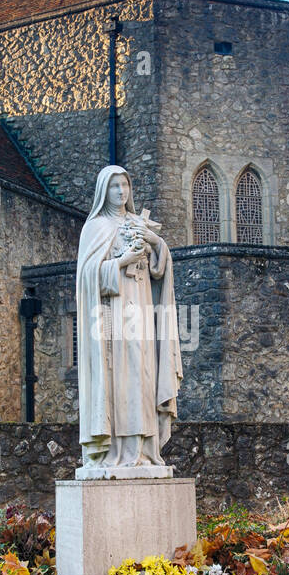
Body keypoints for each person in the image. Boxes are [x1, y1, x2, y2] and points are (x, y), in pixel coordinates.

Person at [74, 164, 182, 471]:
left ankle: (145, 451)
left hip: (142, 307)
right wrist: (122, 261)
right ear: (103, 192)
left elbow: (161, 269)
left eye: (125, 186)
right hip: (111, 314)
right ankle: (115, 451)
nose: (122, 192)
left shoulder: (138, 222)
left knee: (143, 374)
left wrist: (155, 241)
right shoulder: (95, 227)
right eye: (115, 187)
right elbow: (85, 278)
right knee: (117, 376)